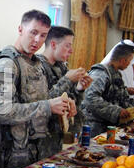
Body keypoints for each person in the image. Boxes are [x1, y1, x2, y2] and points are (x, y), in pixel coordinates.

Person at [0, 10, 74, 168]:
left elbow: (40, 99)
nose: (37, 40)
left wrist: (64, 104)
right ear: (20, 29)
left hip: (34, 150)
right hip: (9, 156)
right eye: (33, 32)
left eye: (43, 35)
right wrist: (48, 106)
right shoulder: (6, 64)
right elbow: (1, 111)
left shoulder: (36, 63)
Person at [36, 26, 92, 158]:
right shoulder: (36, 67)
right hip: (39, 139)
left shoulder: (61, 67)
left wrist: (79, 89)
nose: (71, 51)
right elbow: (42, 102)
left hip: (57, 136)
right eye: (67, 46)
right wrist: (67, 80)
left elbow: (71, 105)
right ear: (53, 44)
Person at [82, 41, 134, 137]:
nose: (129, 64)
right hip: (95, 128)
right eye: (129, 61)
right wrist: (116, 111)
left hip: (110, 127)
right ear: (123, 60)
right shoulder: (100, 74)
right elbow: (90, 99)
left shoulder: (115, 74)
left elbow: (123, 100)